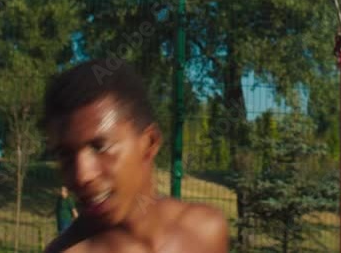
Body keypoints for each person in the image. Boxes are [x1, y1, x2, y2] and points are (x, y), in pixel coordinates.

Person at [42, 58, 228, 253]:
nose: (82, 175)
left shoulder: (204, 231)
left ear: (149, 143)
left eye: (100, 147)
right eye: (65, 155)